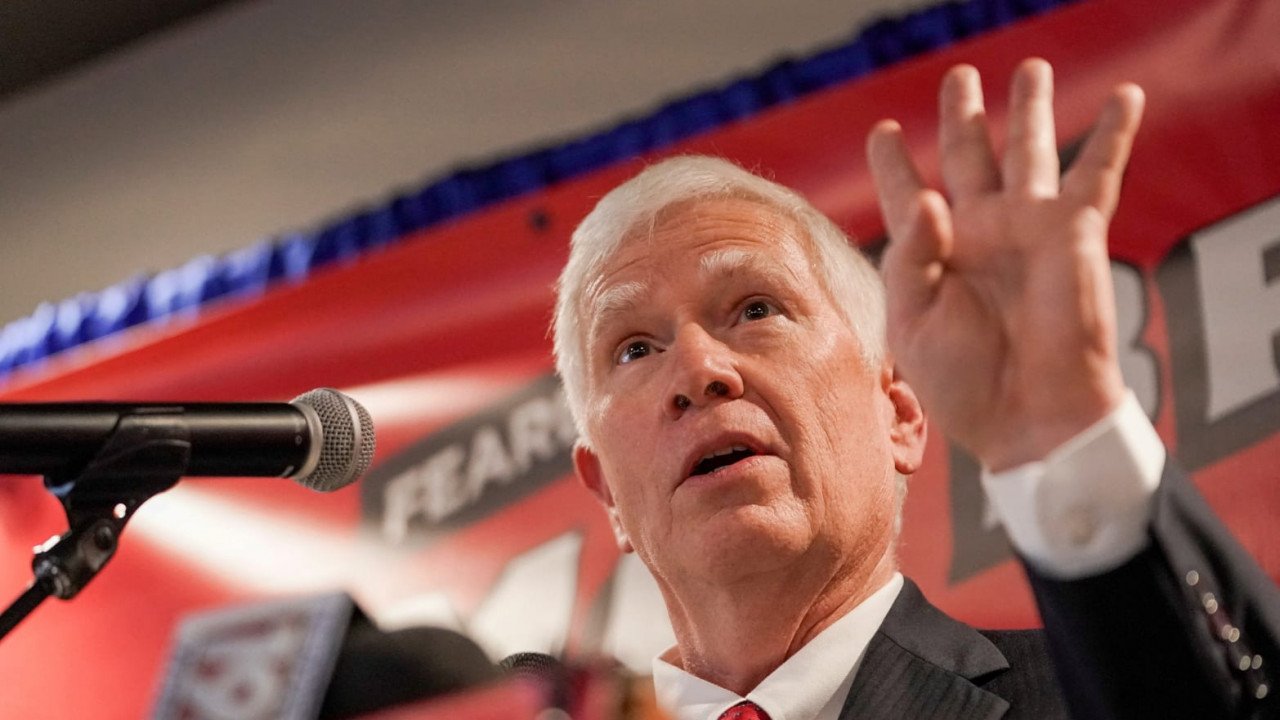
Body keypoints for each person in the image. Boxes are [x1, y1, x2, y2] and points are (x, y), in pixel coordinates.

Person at [551, 58, 1280, 720]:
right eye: (635, 348)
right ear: (606, 491)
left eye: (755, 309)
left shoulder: (1075, 695)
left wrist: (1065, 435)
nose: (698, 372)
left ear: (898, 411)